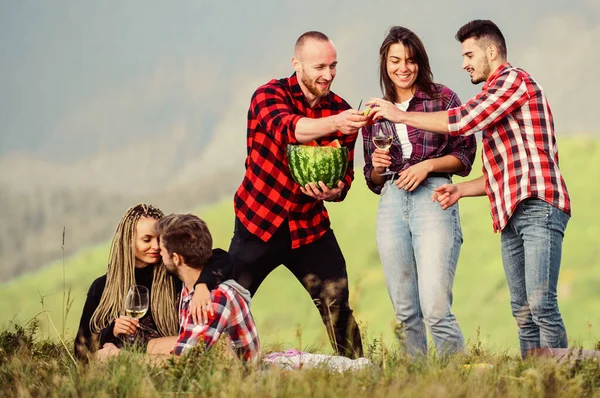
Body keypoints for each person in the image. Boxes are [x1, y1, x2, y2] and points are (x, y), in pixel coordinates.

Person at [366, 20, 571, 358]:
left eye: (469, 54)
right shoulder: (494, 96)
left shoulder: (513, 81)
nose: (464, 63)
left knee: (541, 306)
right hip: (511, 209)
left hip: (538, 204)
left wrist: (400, 118)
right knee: (523, 311)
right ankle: (537, 379)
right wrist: (461, 191)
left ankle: (563, 382)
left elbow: (462, 123)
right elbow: (503, 174)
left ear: (491, 51)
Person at [199, 31, 368, 358]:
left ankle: (360, 373)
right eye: (319, 66)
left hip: (310, 228)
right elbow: (290, 128)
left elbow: (345, 178)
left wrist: (335, 190)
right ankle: (214, 370)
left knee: (337, 308)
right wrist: (338, 123)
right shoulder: (268, 96)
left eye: (333, 66)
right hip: (258, 224)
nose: (328, 74)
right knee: (228, 304)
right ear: (297, 64)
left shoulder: (341, 110)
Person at [362, 26, 476, 357]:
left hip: (434, 196)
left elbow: (465, 154)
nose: (403, 68)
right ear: (385, 63)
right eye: (395, 60)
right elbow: (371, 179)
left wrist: (428, 166)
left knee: (436, 307)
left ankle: (456, 380)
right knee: (405, 311)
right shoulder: (376, 109)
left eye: (410, 60)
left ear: (420, 62)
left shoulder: (443, 98)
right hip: (392, 201)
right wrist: (378, 167)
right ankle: (417, 383)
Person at [74, 204, 232, 360]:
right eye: (146, 239)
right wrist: (111, 331)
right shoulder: (102, 286)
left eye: (159, 239)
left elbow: (221, 257)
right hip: (130, 369)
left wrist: (202, 285)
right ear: (127, 241)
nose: (156, 246)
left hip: (175, 361)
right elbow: (80, 349)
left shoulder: (173, 270)